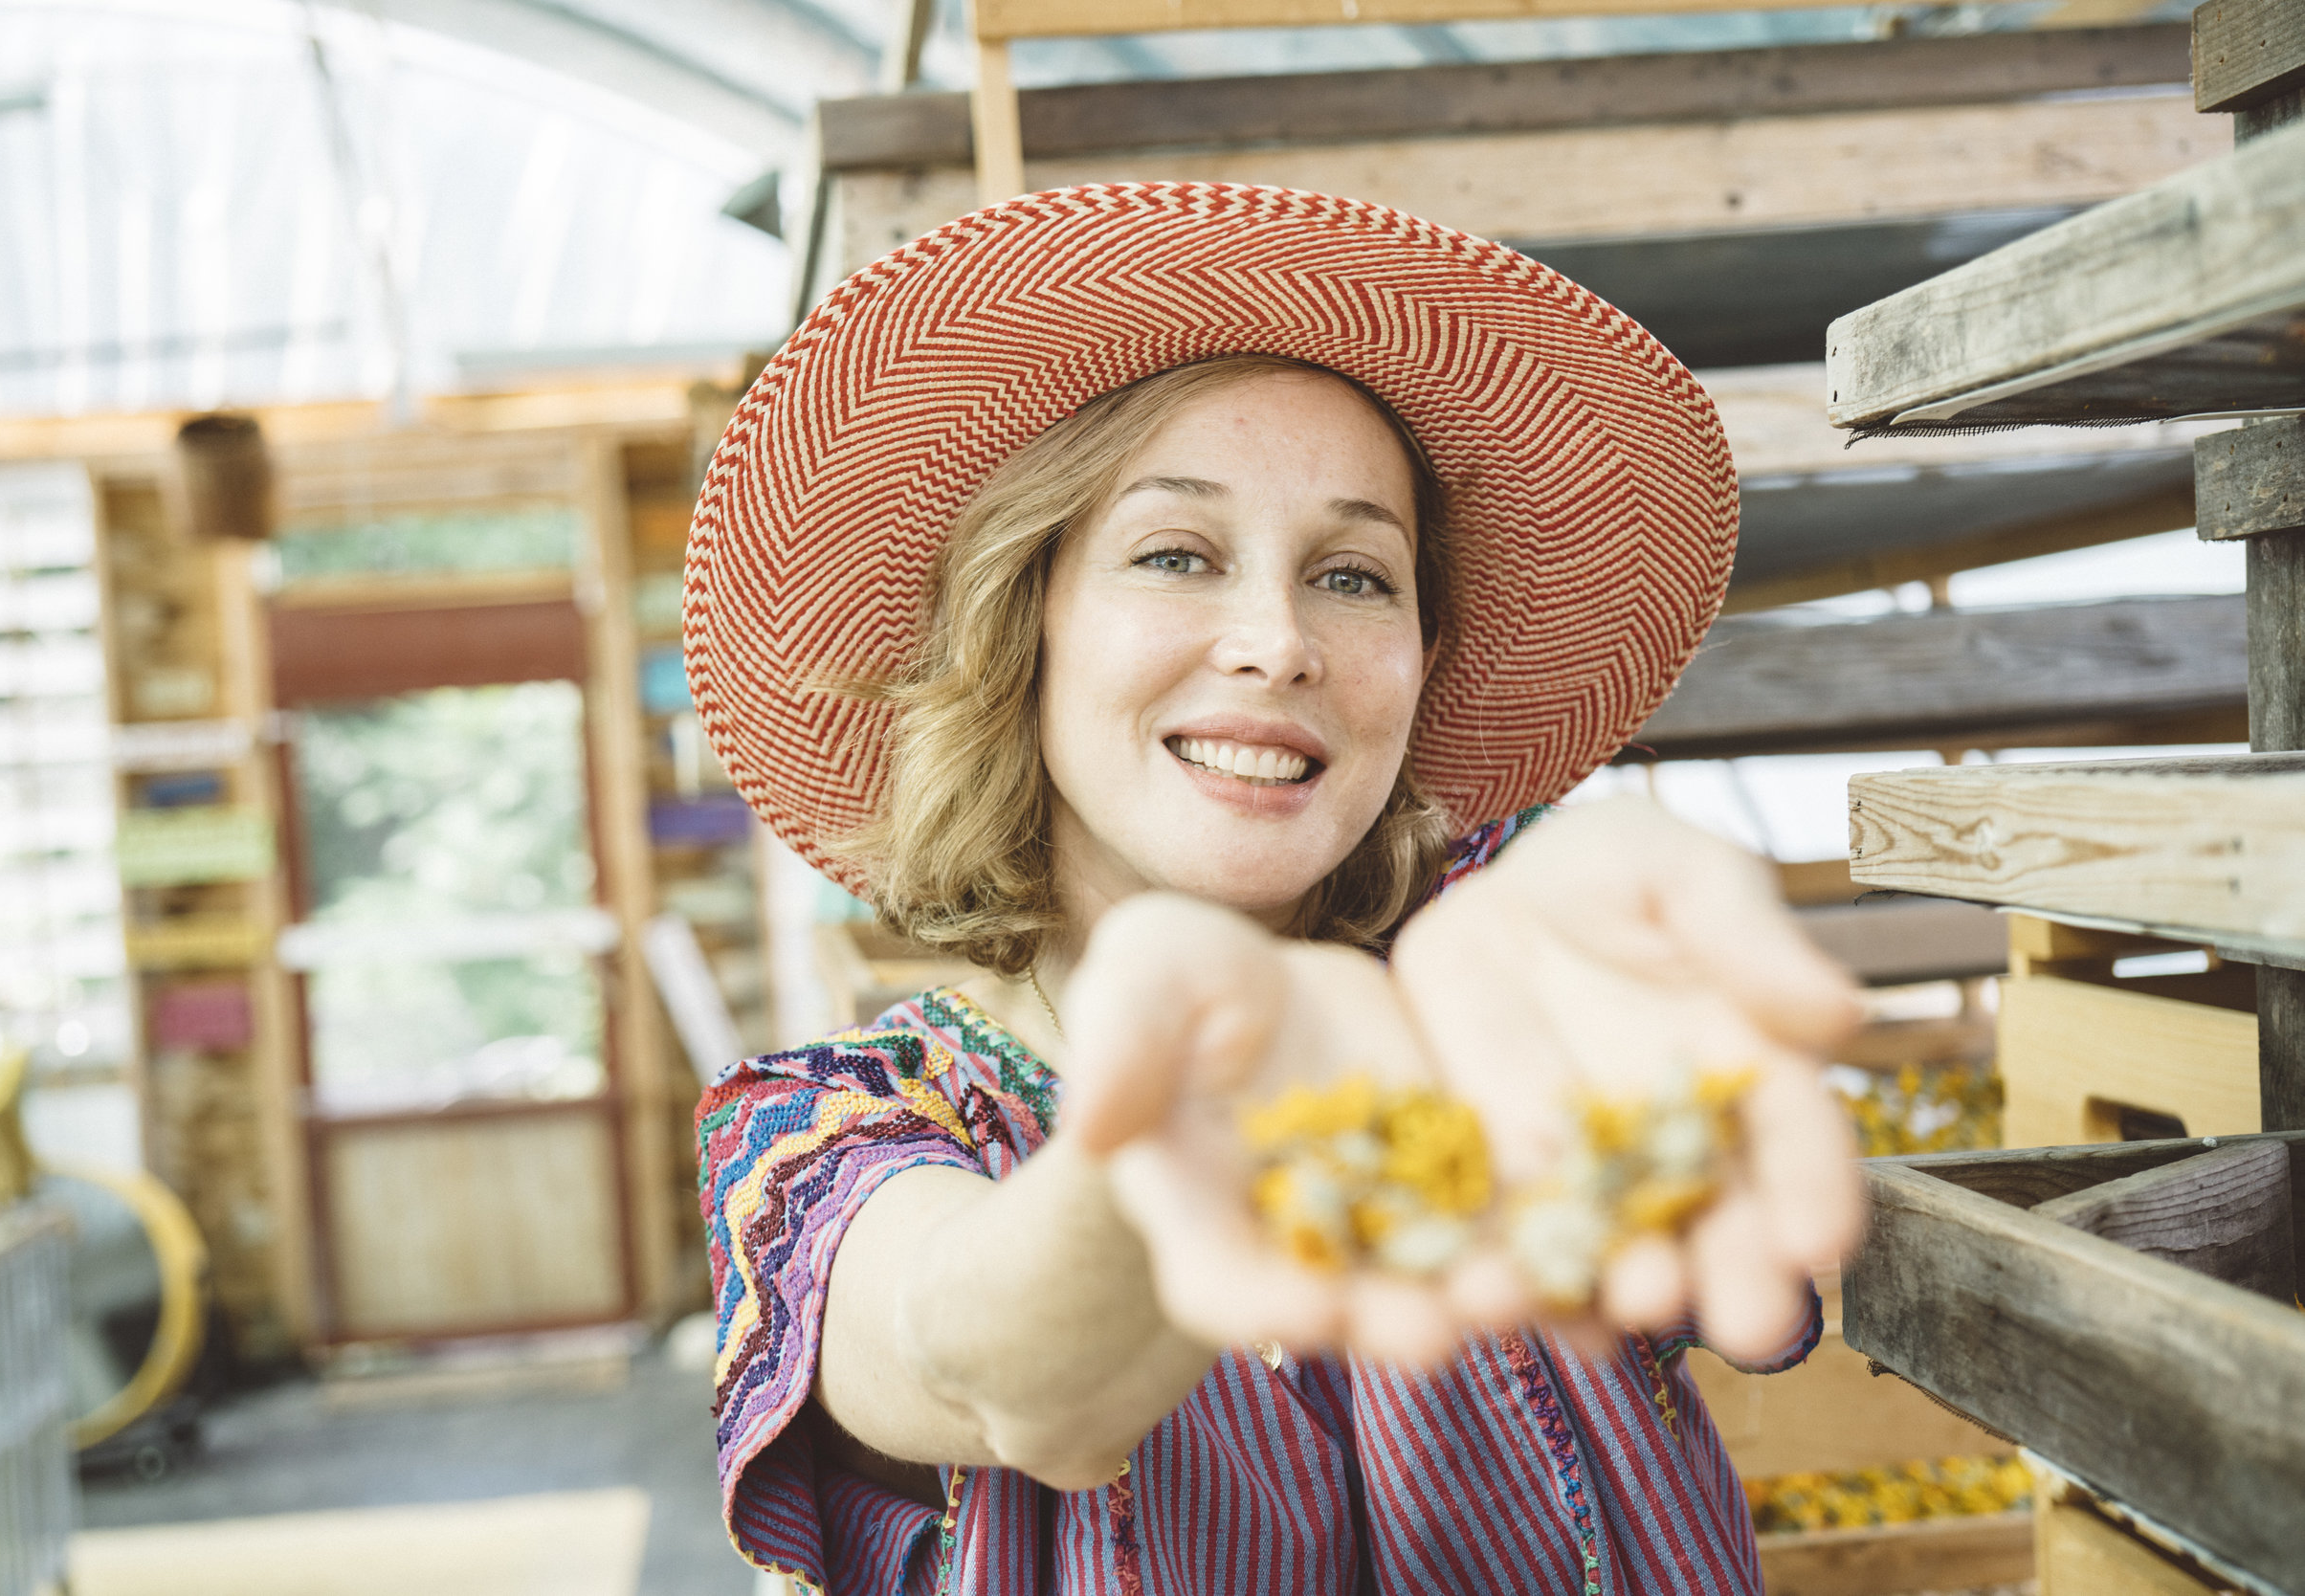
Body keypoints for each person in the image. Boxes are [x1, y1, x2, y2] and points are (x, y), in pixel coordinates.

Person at [687, 183, 1865, 1595]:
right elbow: (985, 1359)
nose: (1277, 642)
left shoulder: (1494, 984)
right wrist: (1215, 1109)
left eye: (1356, 577)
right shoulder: (824, 1127)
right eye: (1176, 554)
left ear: (1424, 658)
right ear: (1026, 630)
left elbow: (1727, 1226)